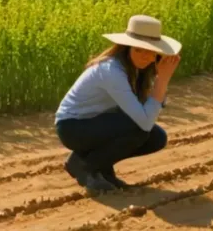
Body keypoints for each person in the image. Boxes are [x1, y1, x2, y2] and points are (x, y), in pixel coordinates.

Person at [54, 14, 182, 192]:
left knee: (156, 137)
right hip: (73, 128)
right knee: (139, 129)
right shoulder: (112, 71)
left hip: (97, 123)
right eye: (139, 50)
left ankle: (101, 169)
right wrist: (163, 80)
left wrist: (159, 78)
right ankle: (86, 166)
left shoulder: (138, 70)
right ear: (127, 48)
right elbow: (144, 121)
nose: (145, 56)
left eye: (151, 51)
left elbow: (146, 112)